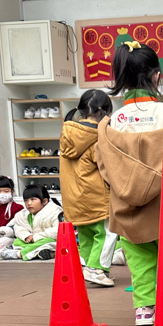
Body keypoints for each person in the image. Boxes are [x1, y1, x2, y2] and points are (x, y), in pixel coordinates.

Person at [95, 40, 163, 326]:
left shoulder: (112, 121)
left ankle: (144, 308)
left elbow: (104, 165)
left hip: (126, 202)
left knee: (138, 255)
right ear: (156, 76)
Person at [60, 89, 117, 287]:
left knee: (86, 235)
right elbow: (106, 168)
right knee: (108, 232)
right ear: (104, 111)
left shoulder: (68, 133)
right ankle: (96, 269)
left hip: (73, 198)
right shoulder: (98, 137)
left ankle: (86, 268)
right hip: (95, 196)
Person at [0, 183, 62, 260]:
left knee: (48, 242)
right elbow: (19, 227)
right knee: (17, 241)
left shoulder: (54, 212)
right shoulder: (24, 214)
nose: (29, 203)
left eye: (33, 199)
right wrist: (26, 236)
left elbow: (57, 231)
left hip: (48, 239)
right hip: (33, 241)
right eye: (26, 200)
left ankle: (19, 254)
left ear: (44, 201)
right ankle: (42, 252)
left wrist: (35, 237)